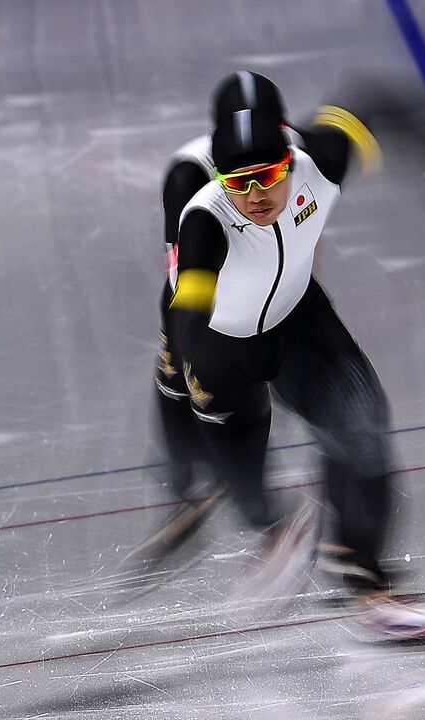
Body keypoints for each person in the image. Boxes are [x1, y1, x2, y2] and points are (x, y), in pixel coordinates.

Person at [164, 75, 425, 638]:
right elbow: (187, 318)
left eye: (269, 176)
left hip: (301, 325)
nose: (255, 195)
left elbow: (367, 105)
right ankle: (275, 529)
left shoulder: (319, 160)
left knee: (364, 430)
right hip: (227, 356)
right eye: (238, 182)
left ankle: (365, 579)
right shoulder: (204, 219)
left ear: (289, 155)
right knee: (248, 491)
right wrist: (194, 383)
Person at [134, 73, 291, 567]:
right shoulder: (188, 175)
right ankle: (189, 483)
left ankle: (262, 514)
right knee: (176, 383)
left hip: (256, 303)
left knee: (231, 410)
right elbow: (182, 279)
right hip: (198, 300)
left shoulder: (294, 157)